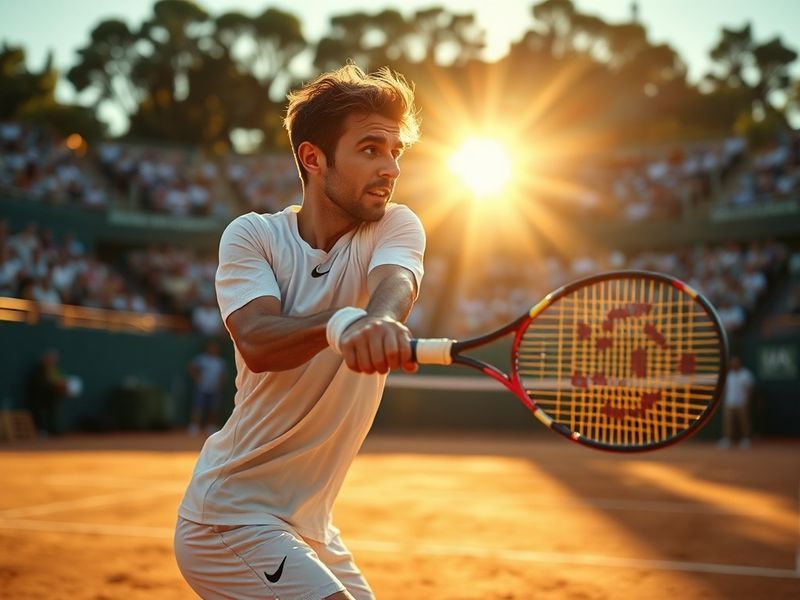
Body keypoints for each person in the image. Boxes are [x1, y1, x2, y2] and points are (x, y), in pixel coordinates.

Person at [174, 64, 425, 600]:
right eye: (370, 149)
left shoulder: (396, 224)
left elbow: (396, 281)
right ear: (314, 158)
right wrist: (341, 325)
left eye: (395, 151)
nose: (391, 167)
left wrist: (379, 322)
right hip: (230, 516)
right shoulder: (253, 235)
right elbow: (259, 341)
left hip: (309, 525)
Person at [186, 340, 227, 435]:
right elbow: (191, 367)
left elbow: (223, 375)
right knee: (198, 407)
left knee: (213, 408)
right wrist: (197, 378)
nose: (214, 349)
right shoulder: (202, 359)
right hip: (202, 388)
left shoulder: (220, 361)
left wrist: (220, 384)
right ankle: (194, 426)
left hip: (215, 389)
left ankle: (211, 426)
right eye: (212, 347)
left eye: (216, 347)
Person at [26, 348, 67, 436]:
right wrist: (53, 385)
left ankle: (53, 430)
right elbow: (40, 383)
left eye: (54, 359)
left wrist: (61, 384)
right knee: (40, 413)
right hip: (40, 397)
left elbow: (60, 379)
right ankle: (41, 430)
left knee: (53, 412)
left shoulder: (55, 369)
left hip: (53, 396)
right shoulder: (39, 370)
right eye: (50, 358)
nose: (52, 361)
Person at [718, 356, 755, 449]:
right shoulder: (728, 375)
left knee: (744, 422)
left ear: (739, 364)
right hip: (729, 403)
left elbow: (750, 388)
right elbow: (725, 389)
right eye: (732, 363)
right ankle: (727, 439)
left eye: (736, 363)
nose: (734, 365)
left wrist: (747, 401)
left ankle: (746, 439)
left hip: (742, 403)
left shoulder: (745, 374)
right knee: (728, 423)